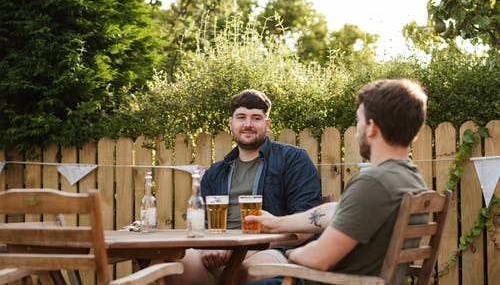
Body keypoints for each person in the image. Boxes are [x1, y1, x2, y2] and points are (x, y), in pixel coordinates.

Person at [246, 79, 429, 283]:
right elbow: (337, 211)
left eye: (359, 121)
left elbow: (318, 258)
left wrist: (292, 254)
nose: (357, 130)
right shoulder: (410, 178)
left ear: (372, 128)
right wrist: (277, 223)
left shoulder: (374, 183)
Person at [176, 89, 321, 285]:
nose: (248, 124)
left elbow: (306, 226)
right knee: (175, 263)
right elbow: (201, 226)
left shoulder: (292, 159)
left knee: (247, 271)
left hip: (269, 250)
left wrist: (245, 248)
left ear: (267, 124)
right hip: (217, 253)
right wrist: (209, 247)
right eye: (241, 117)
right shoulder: (215, 173)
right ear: (231, 123)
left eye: (256, 118)